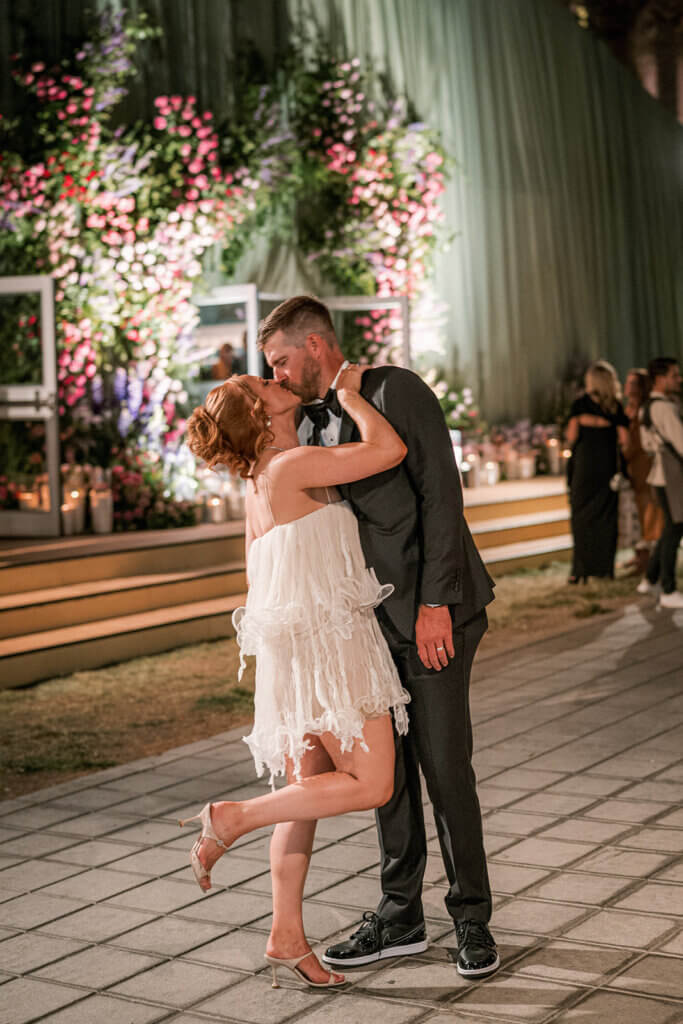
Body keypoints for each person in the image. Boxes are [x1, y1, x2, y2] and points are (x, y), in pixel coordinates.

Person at [258, 295, 498, 980]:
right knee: (384, 780)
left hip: (432, 613)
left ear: (314, 345)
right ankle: (399, 915)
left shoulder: (396, 389)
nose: (275, 374)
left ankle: (471, 919)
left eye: (279, 359)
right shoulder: (299, 424)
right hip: (360, 631)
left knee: (446, 767)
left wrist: (434, 604)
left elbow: (440, 497)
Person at [184, 365, 411, 989]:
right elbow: (389, 449)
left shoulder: (258, 486)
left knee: (304, 797)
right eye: (263, 386)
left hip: (294, 657)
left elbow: (264, 585)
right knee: (372, 783)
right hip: (331, 650)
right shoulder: (291, 465)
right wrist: (350, 396)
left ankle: (285, 935)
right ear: (260, 415)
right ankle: (230, 818)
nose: (274, 382)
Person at [566, 361, 630, 583]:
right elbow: (625, 440)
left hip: (584, 467)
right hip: (606, 467)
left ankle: (580, 570)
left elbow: (571, 437)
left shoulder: (579, 405)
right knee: (606, 517)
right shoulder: (615, 407)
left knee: (581, 517)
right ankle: (604, 568)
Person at [638, 357, 683, 609]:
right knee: (674, 528)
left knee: (671, 526)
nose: (678, 379)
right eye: (674, 375)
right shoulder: (664, 407)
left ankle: (651, 578)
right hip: (671, 475)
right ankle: (668, 588)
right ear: (661, 378)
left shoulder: (649, 405)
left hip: (660, 474)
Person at [623, 368, 663, 577]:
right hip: (632, 468)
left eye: (632, 383)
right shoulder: (628, 408)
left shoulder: (643, 410)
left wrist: (624, 454)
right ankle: (640, 555)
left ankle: (648, 560)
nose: (627, 386)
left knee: (647, 511)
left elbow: (636, 442)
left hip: (642, 466)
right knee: (636, 513)